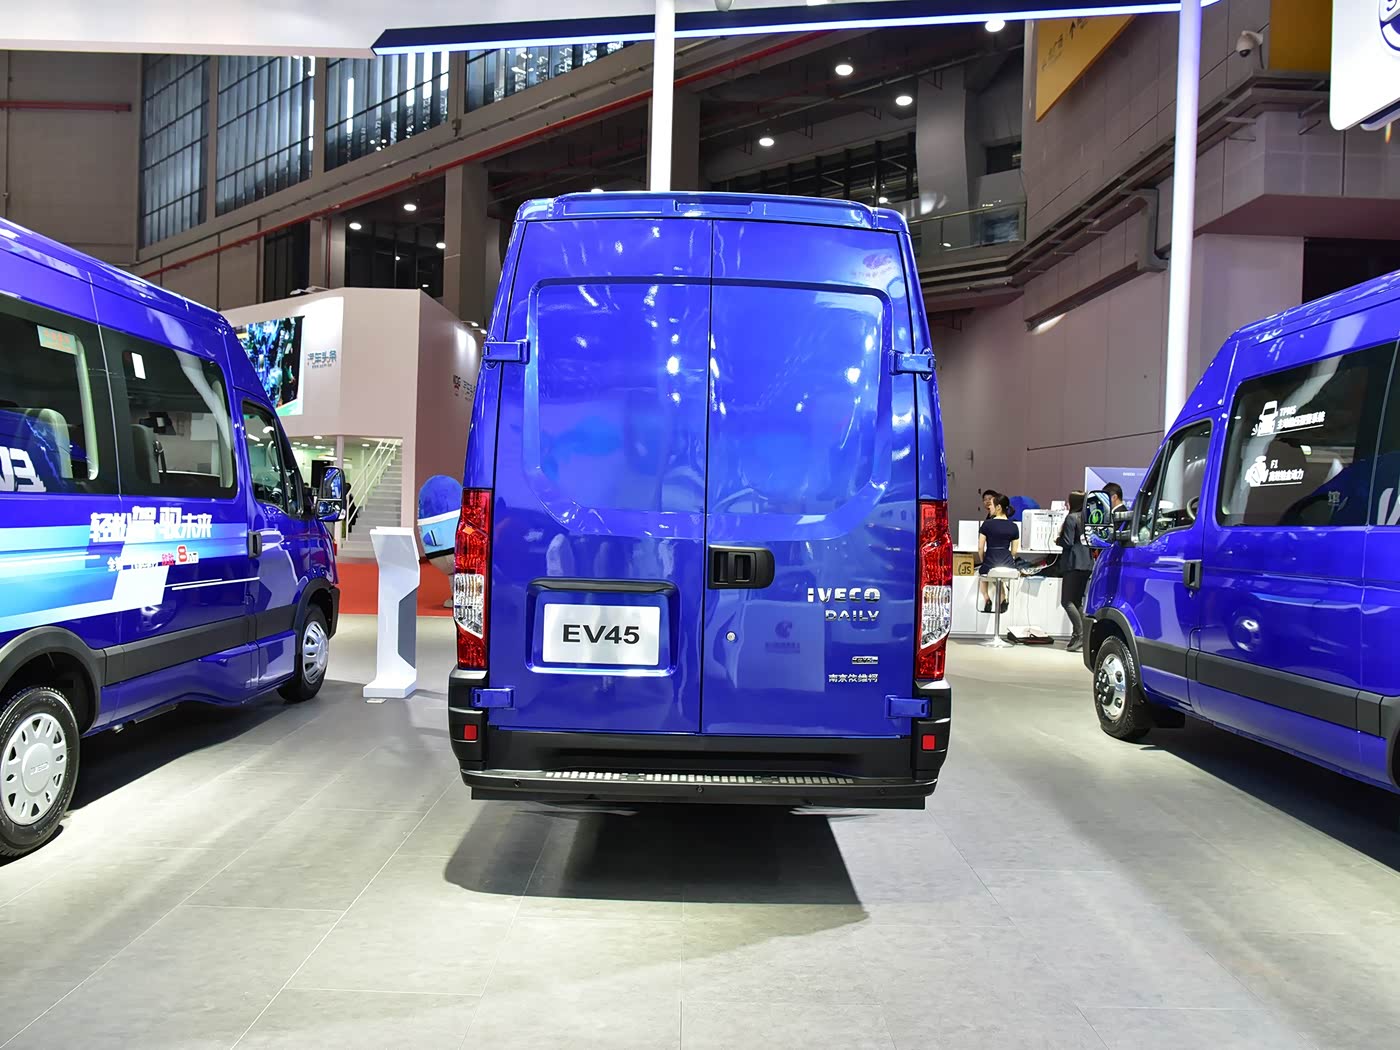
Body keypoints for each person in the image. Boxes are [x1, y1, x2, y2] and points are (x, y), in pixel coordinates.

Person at [1057, 490, 1094, 652]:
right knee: (1077, 601)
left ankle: (1080, 635)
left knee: (1067, 601)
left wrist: (1058, 539)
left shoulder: (1071, 518)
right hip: (1087, 563)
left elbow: (1067, 542)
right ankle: (1082, 636)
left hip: (1073, 563)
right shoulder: (1088, 518)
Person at [978, 494, 1020, 613]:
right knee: (999, 577)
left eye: (992, 505)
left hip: (990, 563)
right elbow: (1014, 551)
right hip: (1007, 565)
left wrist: (983, 561)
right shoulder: (1014, 527)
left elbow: (980, 547)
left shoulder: (987, 524)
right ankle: (1003, 599)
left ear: (998, 507)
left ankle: (987, 598)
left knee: (984, 575)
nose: (989, 507)